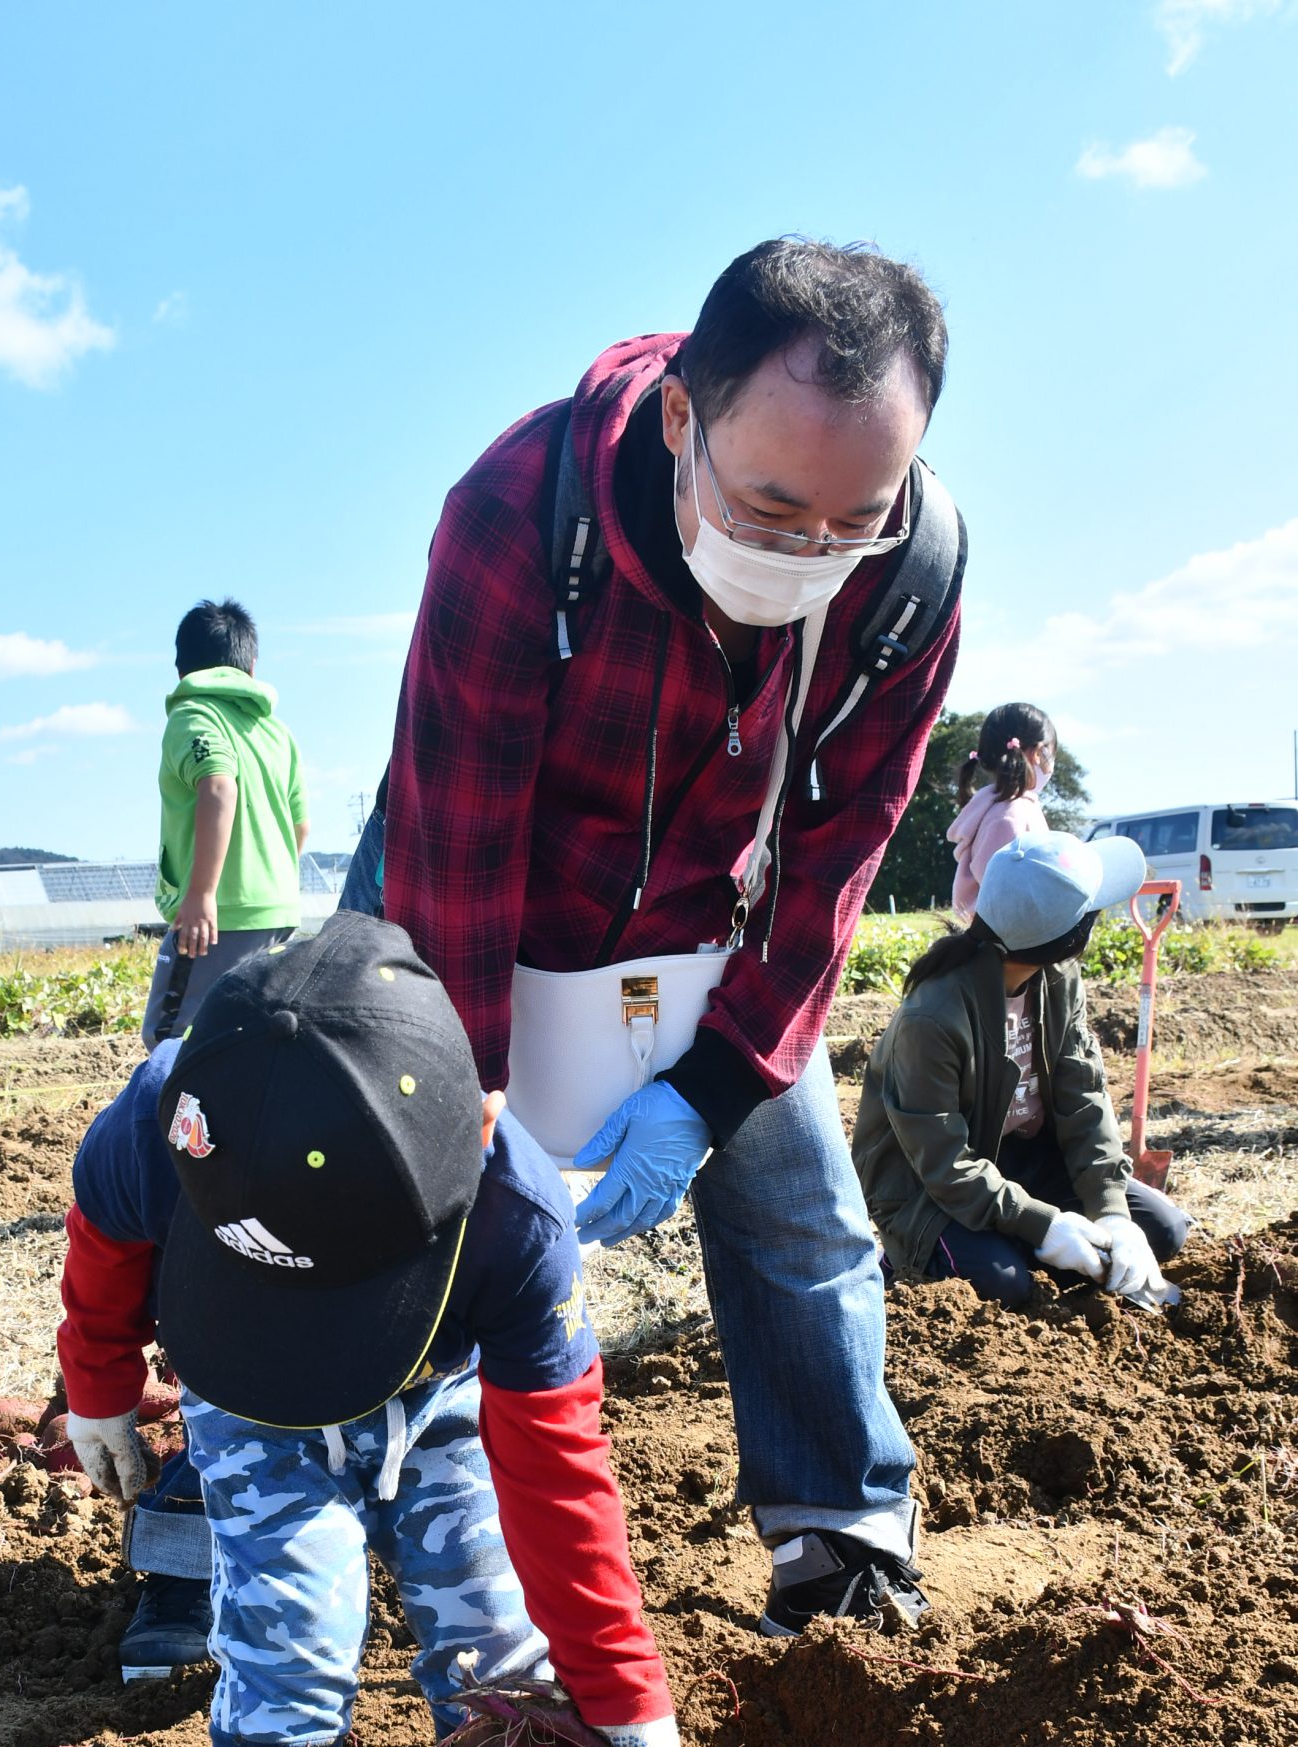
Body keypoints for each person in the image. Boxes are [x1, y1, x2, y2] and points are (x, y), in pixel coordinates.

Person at [343, 238, 963, 1639]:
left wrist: (707, 1090)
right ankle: (347, 1513)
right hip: (479, 877)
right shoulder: (522, 515)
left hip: (701, 904)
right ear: (682, 415)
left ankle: (840, 1538)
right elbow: (457, 841)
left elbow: (833, 854)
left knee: (800, 1208)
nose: (807, 552)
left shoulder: (908, 575)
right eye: (768, 505)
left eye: (848, 516)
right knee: (394, 1203)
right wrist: (481, 1105)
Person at [55, 913, 681, 1747]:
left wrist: (622, 1682)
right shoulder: (167, 1123)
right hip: (253, 1396)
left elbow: (556, 1466)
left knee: (493, 1635)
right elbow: (103, 1246)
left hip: (438, 1389)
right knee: (293, 1636)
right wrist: (96, 1385)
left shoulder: (512, 1213)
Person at [853, 833, 1191, 1309]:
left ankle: (1023, 1238)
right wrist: (1043, 1224)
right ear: (1070, 936)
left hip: (1023, 1159)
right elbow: (944, 1163)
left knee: (1163, 1230)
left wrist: (1111, 1211)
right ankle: (905, 1258)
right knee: (1005, 1286)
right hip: (927, 1187)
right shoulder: (932, 1018)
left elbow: (1084, 1099)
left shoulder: (1059, 981)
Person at [139, 598, 308, 1053]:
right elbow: (300, 824)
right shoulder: (274, 730)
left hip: (221, 916)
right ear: (251, 666)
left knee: (169, 1038)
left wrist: (201, 895)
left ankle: (183, 1127)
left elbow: (217, 786)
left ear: (180, 669)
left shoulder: (193, 716)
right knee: (251, 1035)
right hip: (278, 909)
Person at [949, 703, 1057, 923]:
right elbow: (1002, 891)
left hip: (1005, 938)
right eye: (1051, 754)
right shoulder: (1008, 816)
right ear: (1038, 753)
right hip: (1006, 941)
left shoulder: (1010, 807)